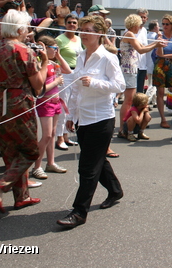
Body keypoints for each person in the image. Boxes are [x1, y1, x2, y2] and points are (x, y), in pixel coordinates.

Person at [0, 9, 49, 212]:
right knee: (30, 150)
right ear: (19, 28)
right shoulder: (23, 50)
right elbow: (38, 84)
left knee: (9, 151)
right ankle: (0, 188)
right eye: (26, 28)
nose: (27, 33)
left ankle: (22, 196)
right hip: (18, 104)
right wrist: (44, 62)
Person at [58, 15, 126, 228]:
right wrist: (71, 117)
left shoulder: (107, 57)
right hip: (83, 119)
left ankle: (79, 212)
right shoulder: (80, 56)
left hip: (101, 119)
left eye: (88, 30)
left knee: (87, 167)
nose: (83, 33)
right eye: (82, 29)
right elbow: (77, 88)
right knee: (97, 161)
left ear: (99, 34)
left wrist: (95, 82)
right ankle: (115, 190)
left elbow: (120, 85)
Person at [31, 36, 71, 179]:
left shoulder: (53, 63)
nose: (55, 51)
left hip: (55, 102)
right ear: (45, 49)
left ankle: (51, 163)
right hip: (45, 102)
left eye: (56, 48)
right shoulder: (39, 65)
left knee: (53, 134)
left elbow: (68, 70)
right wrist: (56, 83)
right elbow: (39, 90)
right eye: (53, 49)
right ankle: (37, 166)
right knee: (47, 135)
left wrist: (59, 55)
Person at [118, 14, 160, 139]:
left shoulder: (130, 34)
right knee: (129, 100)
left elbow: (142, 47)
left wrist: (155, 44)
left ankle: (129, 128)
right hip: (128, 70)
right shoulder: (129, 34)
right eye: (139, 25)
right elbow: (141, 50)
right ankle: (122, 129)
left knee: (130, 99)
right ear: (135, 25)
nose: (140, 27)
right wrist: (156, 44)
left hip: (132, 69)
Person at [55, 14, 82, 150]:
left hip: (76, 74)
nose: (72, 25)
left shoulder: (79, 39)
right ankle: (59, 137)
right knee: (63, 105)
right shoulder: (59, 40)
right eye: (69, 22)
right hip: (65, 74)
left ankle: (66, 135)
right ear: (65, 24)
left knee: (72, 105)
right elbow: (54, 57)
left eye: (74, 23)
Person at [152, 14, 172, 128]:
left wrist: (167, 56)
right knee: (160, 93)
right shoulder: (158, 37)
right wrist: (159, 41)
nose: (164, 26)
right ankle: (163, 119)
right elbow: (158, 53)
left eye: (167, 24)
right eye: (163, 24)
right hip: (160, 65)